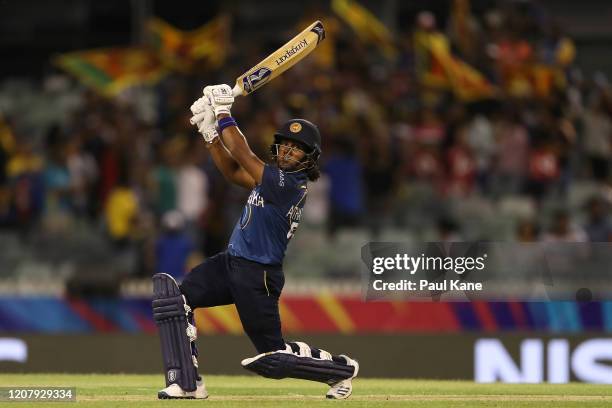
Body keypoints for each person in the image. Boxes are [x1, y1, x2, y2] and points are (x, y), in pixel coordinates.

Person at [151, 84, 358, 400]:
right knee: (176, 301)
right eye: (285, 145)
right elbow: (234, 172)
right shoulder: (272, 176)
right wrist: (210, 135)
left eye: (297, 148)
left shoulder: (289, 185)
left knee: (274, 355)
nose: (288, 151)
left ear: (310, 158)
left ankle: (340, 370)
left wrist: (223, 112)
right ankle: (187, 384)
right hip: (231, 262)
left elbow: (243, 154)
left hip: (258, 275)